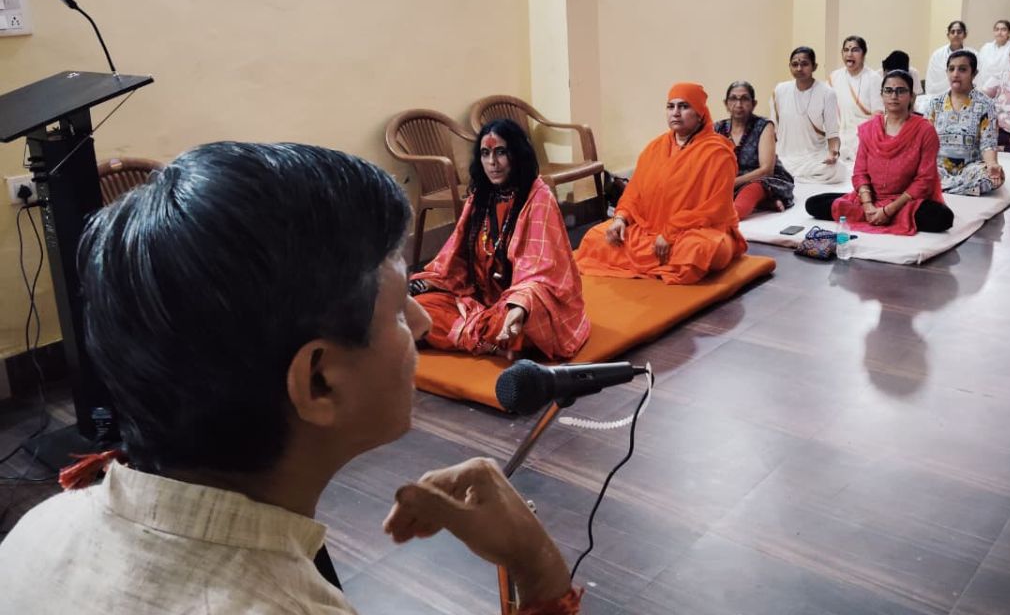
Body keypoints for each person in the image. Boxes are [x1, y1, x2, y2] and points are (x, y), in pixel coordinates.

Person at [0, 142, 581, 615]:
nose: (422, 321)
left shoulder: (38, 529)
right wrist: (536, 567)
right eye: (400, 307)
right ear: (319, 381)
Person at [410, 119, 589, 361]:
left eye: (501, 152)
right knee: (417, 306)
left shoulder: (538, 198)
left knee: (527, 320)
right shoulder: (480, 197)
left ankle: (483, 333)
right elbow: (454, 260)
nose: (492, 163)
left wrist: (518, 308)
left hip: (519, 303)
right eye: (485, 154)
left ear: (517, 154)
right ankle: (493, 340)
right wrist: (425, 285)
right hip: (480, 300)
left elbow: (543, 276)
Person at [575, 82, 746, 285]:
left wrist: (671, 233)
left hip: (698, 231)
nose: (676, 113)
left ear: (700, 113)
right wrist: (621, 218)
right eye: (670, 106)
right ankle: (658, 262)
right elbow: (634, 193)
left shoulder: (718, 153)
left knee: (700, 251)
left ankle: (650, 260)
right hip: (650, 230)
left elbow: (715, 209)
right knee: (595, 238)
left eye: (684, 106)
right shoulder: (655, 148)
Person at [805, 70, 953, 235]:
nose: (894, 96)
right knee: (813, 204)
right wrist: (868, 205)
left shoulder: (925, 130)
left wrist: (888, 210)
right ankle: (872, 214)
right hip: (872, 197)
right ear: (881, 95)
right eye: (888, 90)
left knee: (943, 217)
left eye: (901, 91)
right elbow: (860, 172)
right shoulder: (870, 128)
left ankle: (881, 215)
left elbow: (925, 180)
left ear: (911, 96)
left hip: (906, 201)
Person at [927, 50, 1004, 196]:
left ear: (974, 74)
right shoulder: (935, 103)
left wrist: (992, 164)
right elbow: (925, 140)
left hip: (971, 168)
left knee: (990, 178)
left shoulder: (986, 104)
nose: (955, 74)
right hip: (939, 167)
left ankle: (938, 186)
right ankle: (957, 187)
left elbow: (988, 143)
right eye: (951, 69)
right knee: (912, 172)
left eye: (962, 69)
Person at [715, 81, 796, 218]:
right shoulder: (718, 128)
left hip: (760, 179)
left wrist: (731, 184)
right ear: (726, 103)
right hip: (728, 182)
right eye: (733, 98)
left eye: (744, 99)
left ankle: (731, 213)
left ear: (754, 104)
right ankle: (764, 203)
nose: (738, 104)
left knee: (749, 194)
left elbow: (766, 170)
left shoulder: (764, 126)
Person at [769, 48, 842, 183]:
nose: (799, 68)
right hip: (785, 156)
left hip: (813, 157)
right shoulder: (780, 90)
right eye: (795, 64)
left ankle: (789, 176)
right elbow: (772, 129)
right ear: (789, 66)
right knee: (768, 165)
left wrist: (833, 153)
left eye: (804, 64)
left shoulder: (827, 93)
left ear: (814, 66)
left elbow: (832, 133)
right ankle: (788, 173)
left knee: (835, 169)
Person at [827, 35, 883, 164]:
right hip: (838, 135)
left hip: (862, 137)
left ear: (863, 54)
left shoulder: (874, 78)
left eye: (855, 50)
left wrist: (863, 137)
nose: (849, 54)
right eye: (846, 50)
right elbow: (826, 109)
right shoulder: (835, 77)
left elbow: (878, 113)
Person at [924, 20, 975, 97]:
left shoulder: (973, 55)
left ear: (965, 35)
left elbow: (976, 80)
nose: (956, 35)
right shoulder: (937, 55)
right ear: (948, 35)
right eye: (952, 32)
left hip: (966, 96)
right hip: (938, 96)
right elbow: (931, 82)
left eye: (959, 32)